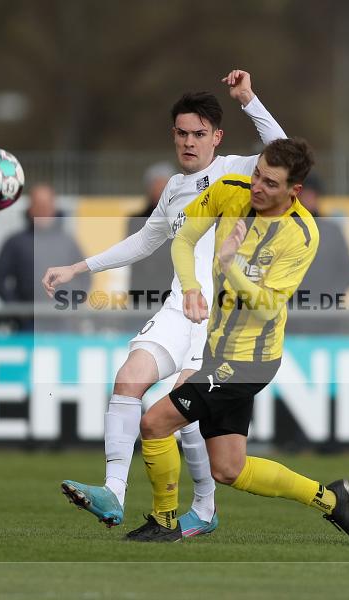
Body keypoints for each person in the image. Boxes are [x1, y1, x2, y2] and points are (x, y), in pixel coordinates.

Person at [43, 69, 286, 538]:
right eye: (182, 133)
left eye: (199, 134)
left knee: (185, 412)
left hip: (223, 319)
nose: (189, 142)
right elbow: (143, 241)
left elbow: (285, 150)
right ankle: (113, 491)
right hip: (180, 307)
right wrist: (78, 267)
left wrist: (248, 99)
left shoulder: (236, 170)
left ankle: (204, 508)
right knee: (128, 379)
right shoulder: (174, 188)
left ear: (217, 137)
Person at [125, 138, 349, 543]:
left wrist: (229, 266)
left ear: (295, 191)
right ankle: (332, 500)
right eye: (258, 174)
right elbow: (183, 239)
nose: (257, 186)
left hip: (248, 361)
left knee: (154, 422)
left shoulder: (303, 233)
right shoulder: (230, 189)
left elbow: (270, 305)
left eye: (271, 183)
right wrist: (190, 287)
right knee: (228, 468)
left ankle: (164, 521)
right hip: (217, 349)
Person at [0, 183, 88, 330]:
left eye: (47, 204)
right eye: (38, 204)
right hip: (27, 324)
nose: (43, 209)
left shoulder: (68, 242)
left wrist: (72, 305)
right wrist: (17, 310)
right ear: (30, 207)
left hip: (63, 322)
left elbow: (85, 276)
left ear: (54, 207)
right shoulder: (15, 242)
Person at [291, 173, 349, 331]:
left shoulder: (332, 231)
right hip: (289, 315)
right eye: (303, 194)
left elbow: (348, 272)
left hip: (325, 316)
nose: (307, 198)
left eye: (311, 194)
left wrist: (329, 299)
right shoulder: (282, 228)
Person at [126, 162, 177, 300]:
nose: (160, 191)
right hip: (143, 294)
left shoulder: (183, 218)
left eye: (164, 186)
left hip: (174, 294)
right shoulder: (135, 221)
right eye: (156, 186)